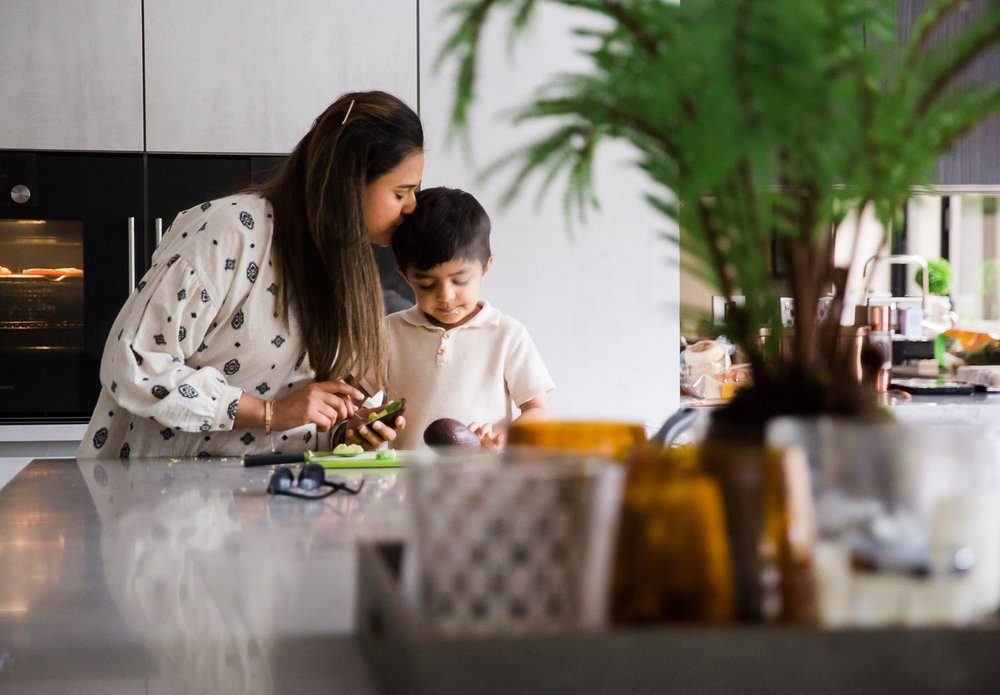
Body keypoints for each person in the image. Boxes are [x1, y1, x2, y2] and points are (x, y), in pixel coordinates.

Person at [77, 91, 423, 458]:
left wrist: (345, 433)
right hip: (158, 497)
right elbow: (135, 364)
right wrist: (268, 413)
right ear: (348, 182)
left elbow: (306, 407)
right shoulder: (232, 231)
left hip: (270, 500)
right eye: (402, 192)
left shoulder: (349, 267)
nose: (412, 206)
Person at [370, 186, 554, 449]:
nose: (446, 296)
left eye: (460, 280)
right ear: (405, 277)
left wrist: (506, 434)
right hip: (410, 480)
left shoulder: (506, 333)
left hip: (483, 478)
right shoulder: (390, 331)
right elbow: (354, 401)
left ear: (486, 267)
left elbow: (539, 411)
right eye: (426, 284)